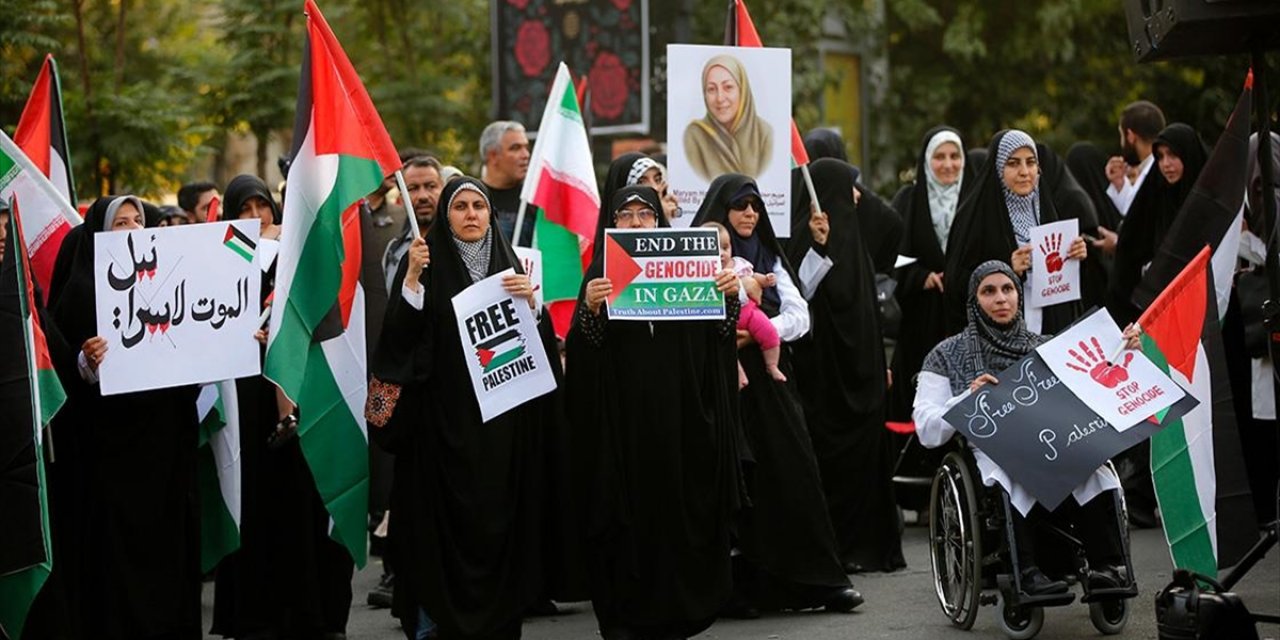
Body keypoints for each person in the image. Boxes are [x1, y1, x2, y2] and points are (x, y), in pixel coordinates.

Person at [368, 177, 550, 640]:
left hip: (502, 437)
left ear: (491, 215)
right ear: (446, 216)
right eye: (460, 207)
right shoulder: (425, 267)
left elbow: (539, 359)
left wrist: (532, 306)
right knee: (440, 536)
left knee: (501, 530)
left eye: (478, 206)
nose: (471, 214)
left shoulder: (511, 270)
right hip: (440, 436)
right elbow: (398, 345)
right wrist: (412, 279)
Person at [567, 184, 743, 640]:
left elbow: (717, 342)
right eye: (625, 215)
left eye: (644, 214)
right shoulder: (599, 275)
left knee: (678, 516)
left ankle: (678, 612)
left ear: (659, 220)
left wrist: (727, 297)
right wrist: (590, 311)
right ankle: (624, 617)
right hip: (622, 432)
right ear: (612, 222)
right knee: (624, 523)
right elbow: (585, 357)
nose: (636, 223)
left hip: (681, 425)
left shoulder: (688, 266)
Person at [691, 174, 861, 616]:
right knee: (734, 480)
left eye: (755, 205)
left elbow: (799, 315)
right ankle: (737, 590)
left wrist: (758, 331)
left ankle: (818, 582)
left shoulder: (768, 258)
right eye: (739, 205)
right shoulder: (695, 260)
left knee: (793, 470)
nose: (750, 213)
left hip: (769, 382)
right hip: (718, 383)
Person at [913, 260, 1130, 595]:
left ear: (1019, 295)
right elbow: (927, 430)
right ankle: (1026, 572)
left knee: (1094, 468)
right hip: (992, 447)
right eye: (988, 291)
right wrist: (968, 399)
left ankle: (1108, 567)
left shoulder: (1046, 346)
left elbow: (1096, 379)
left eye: (1008, 289)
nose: (1001, 299)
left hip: (1053, 439)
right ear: (974, 302)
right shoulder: (946, 355)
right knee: (1012, 470)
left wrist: (1125, 351)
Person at [45, 195, 203, 638]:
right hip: (107, 453)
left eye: (139, 220)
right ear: (99, 230)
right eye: (121, 223)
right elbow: (60, 365)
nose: (132, 229)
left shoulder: (171, 281)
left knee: (164, 547)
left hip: (163, 447)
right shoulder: (80, 288)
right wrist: (85, 363)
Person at [209, 175, 355, 640]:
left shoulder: (294, 249)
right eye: (244, 208)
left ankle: (305, 611)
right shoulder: (219, 252)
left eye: (262, 206)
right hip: (243, 396)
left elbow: (319, 311)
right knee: (251, 497)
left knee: (297, 498)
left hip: (293, 387)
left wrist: (284, 334)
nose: (255, 217)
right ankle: (253, 614)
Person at [788, 158, 906, 573]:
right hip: (825, 377)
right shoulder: (804, 240)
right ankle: (836, 547)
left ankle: (868, 546)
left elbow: (868, 315)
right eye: (847, 188)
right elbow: (800, 292)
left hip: (864, 374)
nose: (857, 196)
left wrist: (878, 362)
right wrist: (817, 247)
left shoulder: (856, 243)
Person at [944, 129, 1089, 336]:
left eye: (1031, 162)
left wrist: (1074, 256)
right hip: (997, 339)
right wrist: (1005, 268)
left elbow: (1065, 287)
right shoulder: (974, 217)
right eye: (1013, 164)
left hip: (1047, 334)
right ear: (997, 168)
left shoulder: (1047, 210)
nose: (1024, 171)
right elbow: (955, 285)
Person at [888, 127, 973, 423]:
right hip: (921, 317)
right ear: (926, 161)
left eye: (954, 156)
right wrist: (920, 277)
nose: (948, 164)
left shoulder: (975, 200)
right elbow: (891, 256)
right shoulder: (908, 200)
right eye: (939, 157)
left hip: (967, 314)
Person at [703, 220, 784, 385]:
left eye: (725, 248)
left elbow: (753, 276)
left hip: (750, 313)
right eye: (715, 248)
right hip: (723, 320)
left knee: (769, 331)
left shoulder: (739, 264)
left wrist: (764, 280)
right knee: (725, 348)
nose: (721, 254)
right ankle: (738, 376)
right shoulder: (701, 272)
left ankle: (772, 365)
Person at [683, 55, 773, 182]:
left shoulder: (765, 134)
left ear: (743, 90)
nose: (720, 98)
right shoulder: (694, 135)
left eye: (728, 87)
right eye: (711, 89)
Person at [479, 121, 536, 246]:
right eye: (515, 148)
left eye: (526, 147)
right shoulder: (471, 197)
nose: (526, 155)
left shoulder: (534, 200)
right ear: (493, 155)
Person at [1106, 100, 1166, 217]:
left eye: (1121, 135)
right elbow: (1134, 210)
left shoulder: (1157, 170)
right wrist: (1120, 184)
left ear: (1130, 136)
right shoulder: (1150, 167)